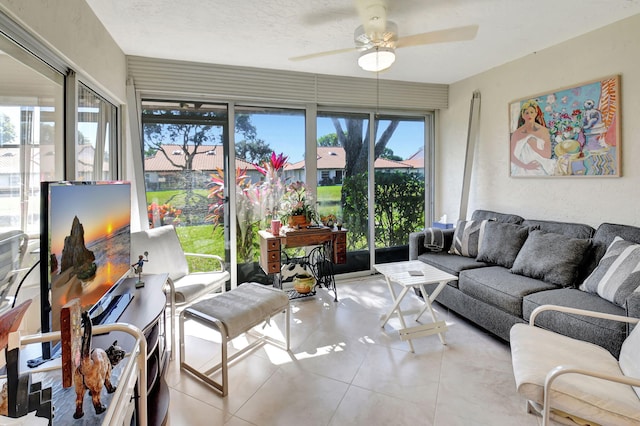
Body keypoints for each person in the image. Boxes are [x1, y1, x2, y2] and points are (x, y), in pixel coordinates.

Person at [510, 99, 556, 176]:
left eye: (531, 112)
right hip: (522, 170)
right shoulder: (517, 133)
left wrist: (534, 147)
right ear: (523, 115)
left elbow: (548, 154)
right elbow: (511, 156)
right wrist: (525, 166)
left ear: (536, 113)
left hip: (539, 168)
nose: (529, 115)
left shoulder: (543, 131)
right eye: (526, 113)